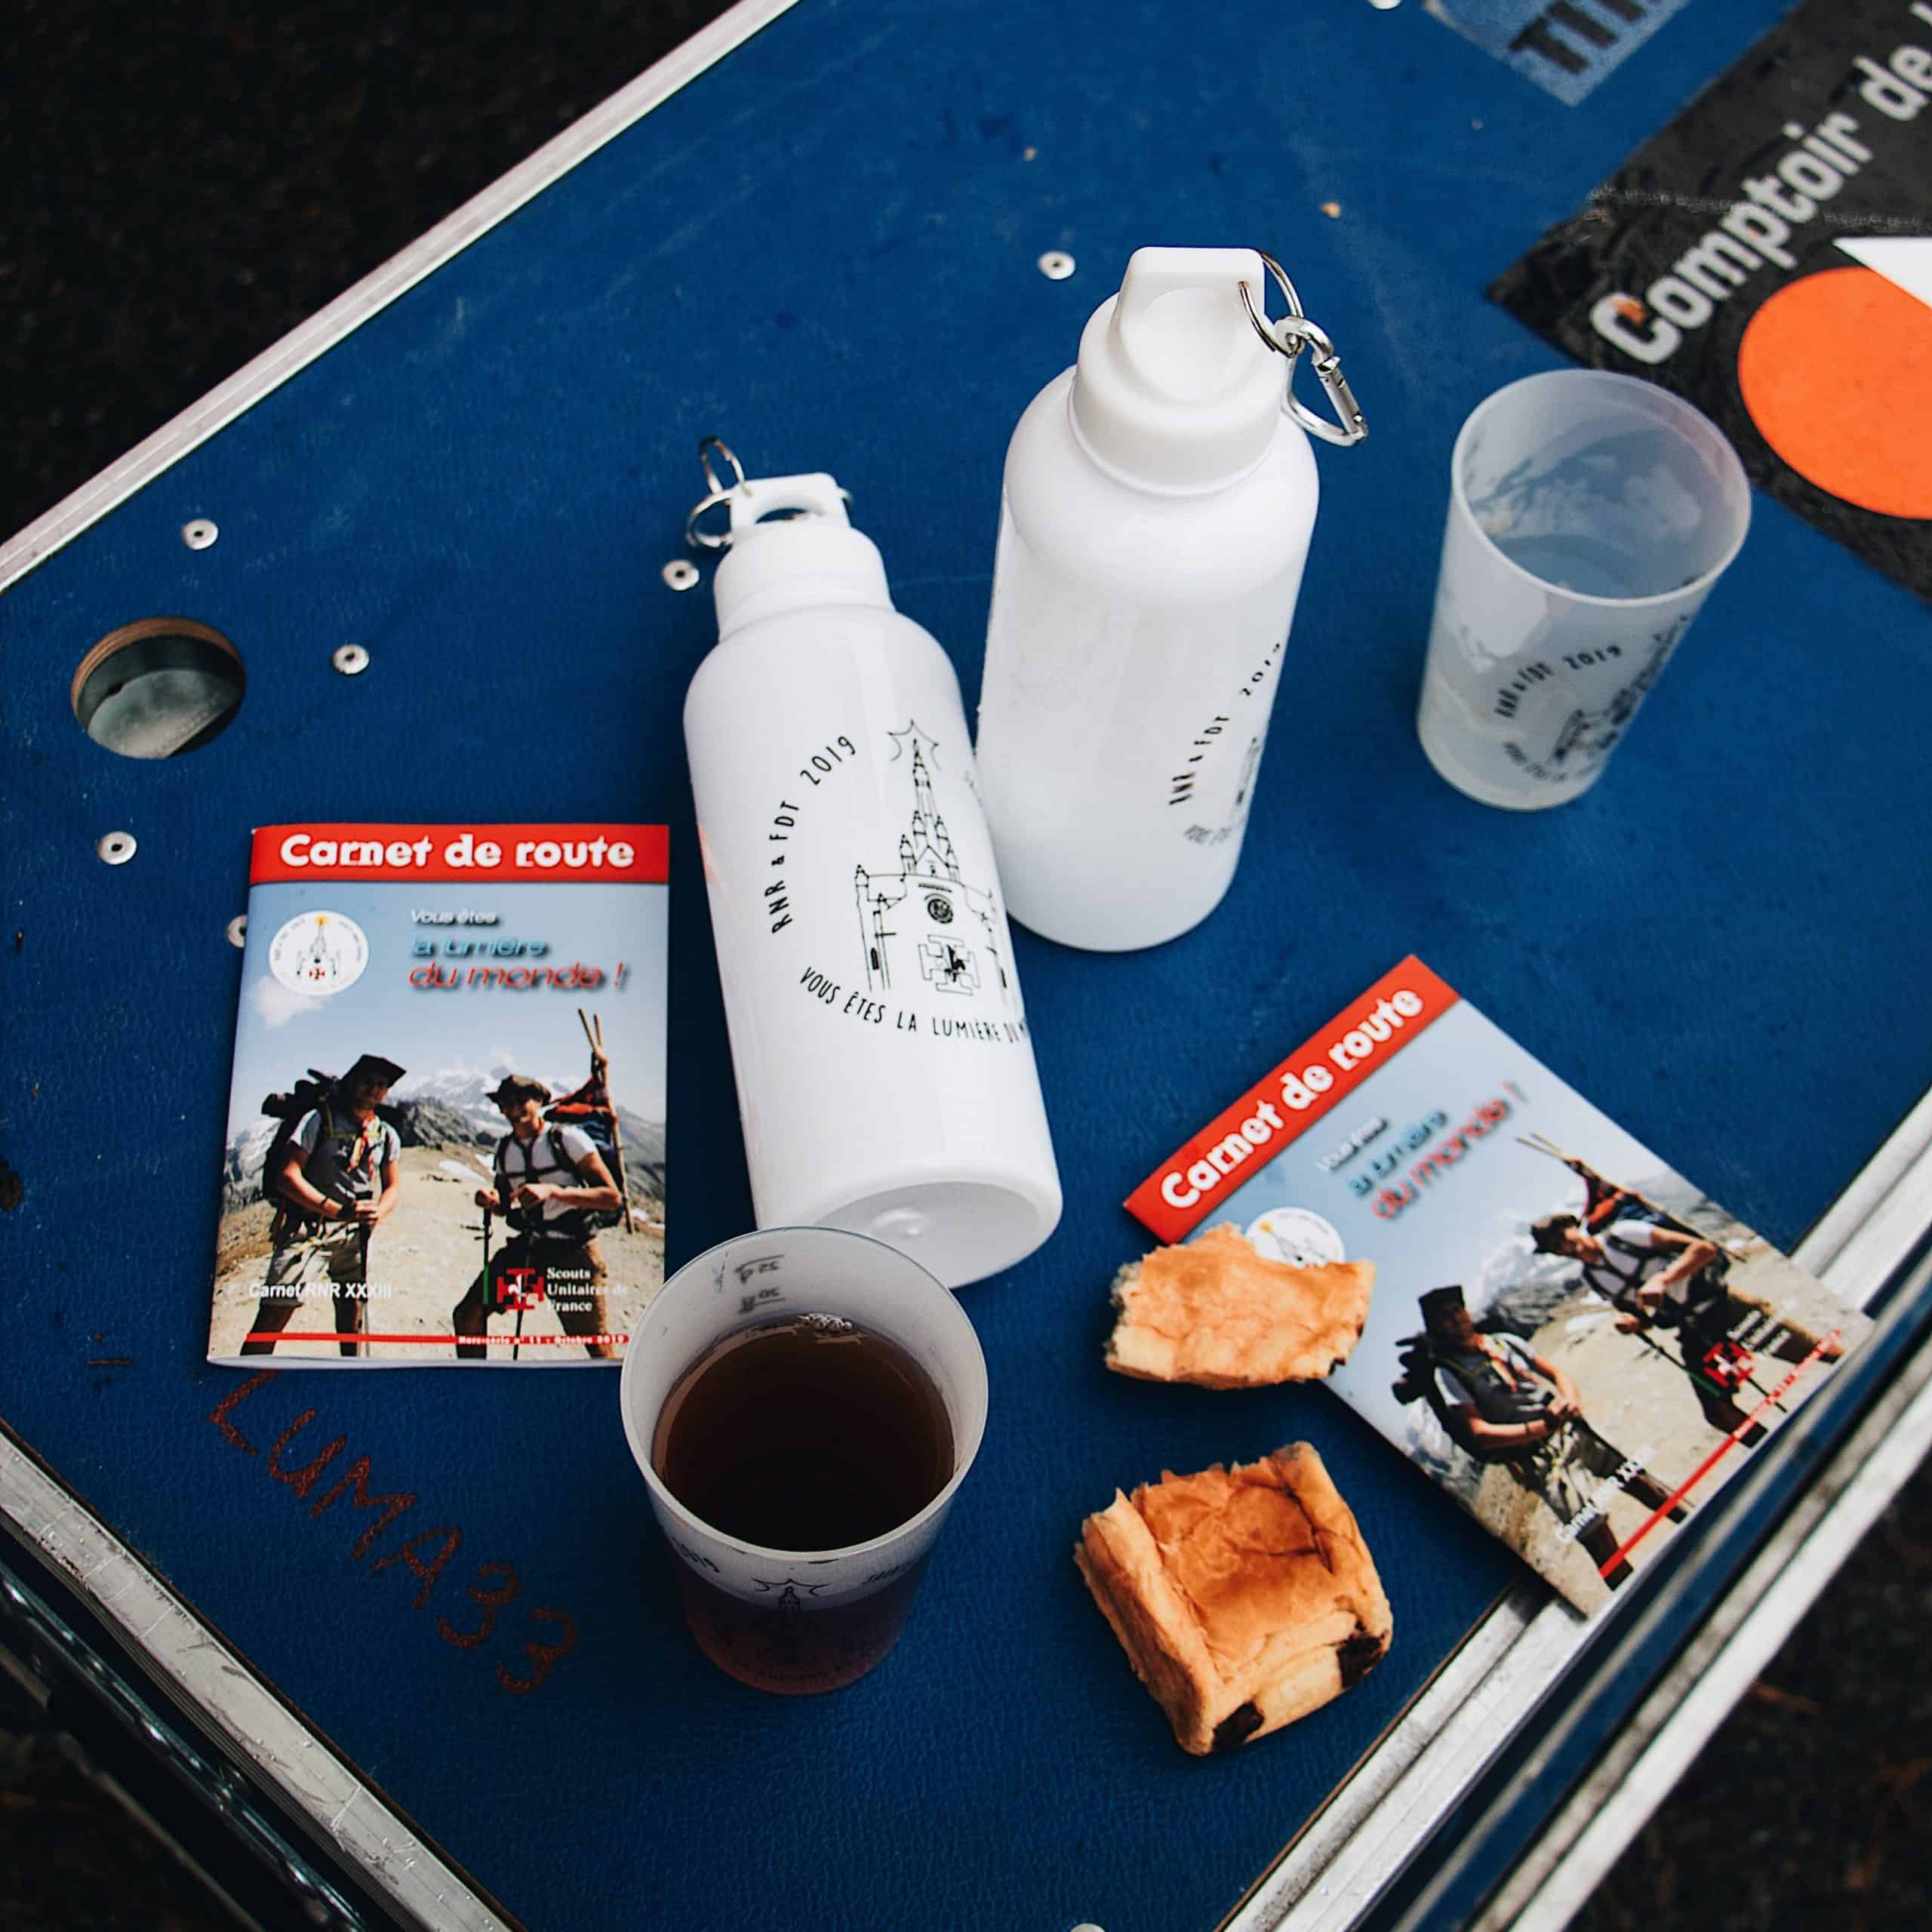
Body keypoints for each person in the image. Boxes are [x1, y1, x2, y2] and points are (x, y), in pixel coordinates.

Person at [1531, 1168, 1842, 1444]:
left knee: (1815, 1351)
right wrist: (1636, 1322)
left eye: (1561, 1236)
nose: (1563, 1247)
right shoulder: (1593, 1277)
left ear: (1574, 1226)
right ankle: (1778, 1451)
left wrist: (1663, 1280)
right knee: (1719, 1414)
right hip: (1693, 1329)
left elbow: (1702, 1249)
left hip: (1721, 1303)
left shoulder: (1625, 1234)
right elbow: (1644, 1312)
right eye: (1554, 1247)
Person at [1414, 1285, 1684, 1592]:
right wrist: (1540, 1428)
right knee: (1596, 1536)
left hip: (1573, 1431)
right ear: (1435, 1327)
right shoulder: (1448, 1374)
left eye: (1456, 1310)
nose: (1455, 1319)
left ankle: (1694, 1525)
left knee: (1643, 1483)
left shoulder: (1504, 1343)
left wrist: (1569, 1400)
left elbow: (1556, 1375)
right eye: (1444, 1317)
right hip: (1541, 1459)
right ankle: (1640, 1599)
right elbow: (1480, 1433)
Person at [242, 1054, 404, 1359]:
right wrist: (338, 1211)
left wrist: (378, 1212)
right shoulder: (318, 1119)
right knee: (274, 1315)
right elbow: (287, 1177)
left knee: (350, 1311)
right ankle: (241, 1380)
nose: (374, 1089)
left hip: (356, 1234)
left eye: (381, 1085)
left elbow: (393, 1186)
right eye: (368, 1082)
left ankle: (351, 1372)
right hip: (307, 1229)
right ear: (352, 1082)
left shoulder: (385, 1133)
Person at [452, 1074, 623, 1360]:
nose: (515, 1109)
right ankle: (475, 1389)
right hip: (532, 1247)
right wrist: (490, 1201)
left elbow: (611, 1197)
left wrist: (554, 1192)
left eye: (522, 1101)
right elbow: (505, 1204)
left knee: (596, 1344)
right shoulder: (505, 1150)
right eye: (507, 1104)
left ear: (541, 1102)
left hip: (575, 1249)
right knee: (468, 1314)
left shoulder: (566, 1139)